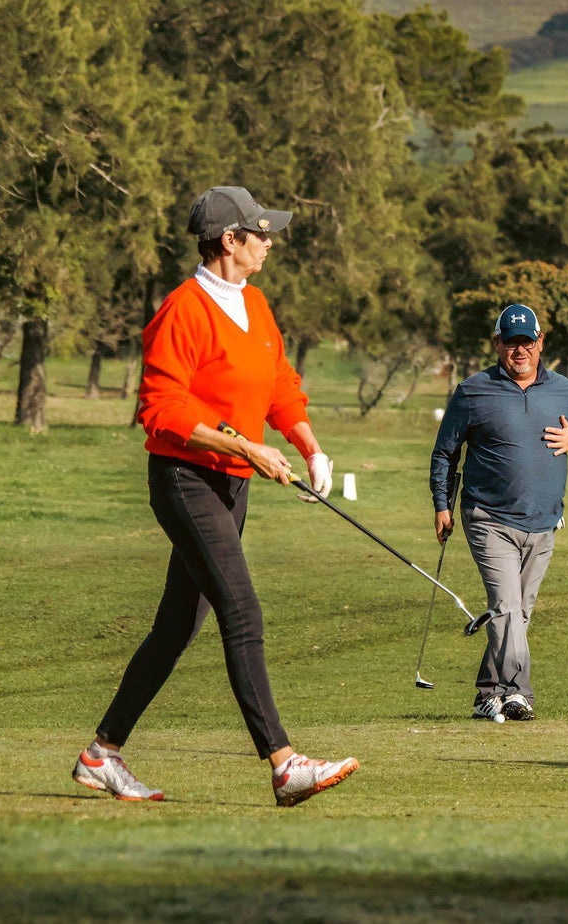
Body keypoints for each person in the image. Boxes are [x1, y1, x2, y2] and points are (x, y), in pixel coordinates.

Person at [72, 186, 358, 807]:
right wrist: (251, 450)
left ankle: (102, 753)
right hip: (185, 480)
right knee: (243, 612)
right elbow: (161, 410)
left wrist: (310, 448)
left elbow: (280, 386)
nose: (269, 242)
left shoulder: (255, 304)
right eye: (260, 232)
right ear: (229, 241)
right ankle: (284, 765)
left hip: (232, 485)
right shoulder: (184, 309)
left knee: (177, 626)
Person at [429, 303, 568, 722]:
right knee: (506, 607)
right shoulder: (473, 391)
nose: (519, 350)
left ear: (541, 343)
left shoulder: (562, 389)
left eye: (527, 342)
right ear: (497, 344)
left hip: (544, 521)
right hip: (488, 517)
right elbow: (445, 453)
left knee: (518, 612)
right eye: (511, 342)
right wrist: (441, 505)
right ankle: (519, 692)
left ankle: (488, 693)